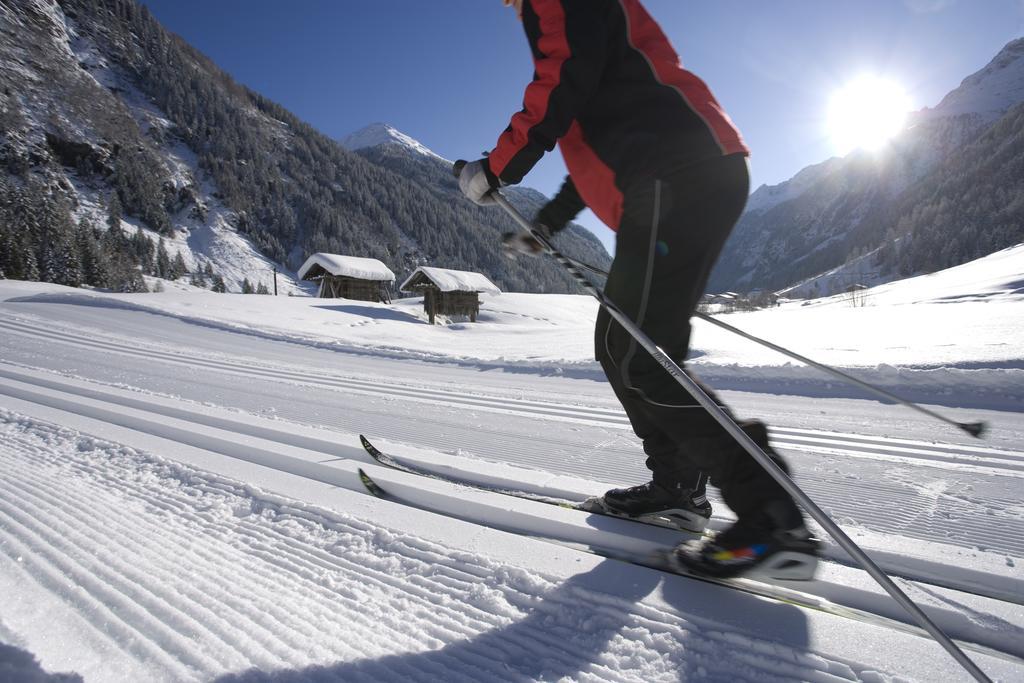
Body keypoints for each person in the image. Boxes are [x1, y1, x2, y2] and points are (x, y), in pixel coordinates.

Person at [457, 0, 820, 579]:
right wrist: (548, 222)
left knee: (644, 358)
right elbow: (591, 133)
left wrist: (498, 166)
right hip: (666, 180)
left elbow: (561, 79)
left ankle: (769, 514)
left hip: (677, 176)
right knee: (620, 345)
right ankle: (678, 486)